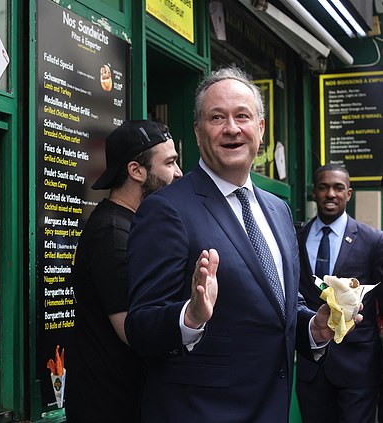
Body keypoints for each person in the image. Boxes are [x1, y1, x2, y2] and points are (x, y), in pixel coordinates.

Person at [125, 66, 351, 423]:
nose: (232, 128)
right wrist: (191, 317)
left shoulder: (278, 211)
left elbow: (282, 304)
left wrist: (315, 327)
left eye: (242, 116)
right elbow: (139, 327)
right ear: (198, 132)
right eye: (217, 117)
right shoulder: (166, 210)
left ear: (260, 129)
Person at [65, 120, 183, 423]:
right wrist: (192, 316)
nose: (179, 173)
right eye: (169, 163)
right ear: (136, 170)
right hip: (111, 406)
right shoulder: (112, 233)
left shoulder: (133, 225)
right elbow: (132, 331)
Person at [296, 164, 383, 423]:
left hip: (358, 369)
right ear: (314, 193)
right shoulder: (297, 237)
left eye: (338, 188)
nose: (330, 194)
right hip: (311, 369)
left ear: (349, 194)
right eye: (323, 187)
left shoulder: (372, 240)